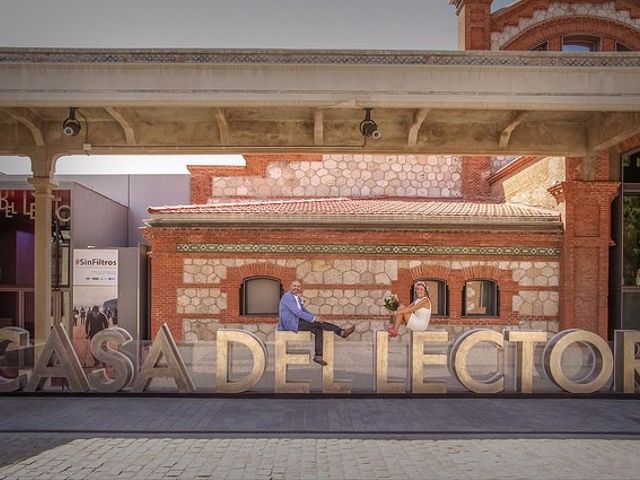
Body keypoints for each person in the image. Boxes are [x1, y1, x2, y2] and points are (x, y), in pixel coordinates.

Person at [278, 279, 355, 366]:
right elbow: (298, 313)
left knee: (318, 328)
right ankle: (341, 332)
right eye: (294, 286)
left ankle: (318, 356)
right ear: (290, 286)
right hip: (290, 324)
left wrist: (315, 317)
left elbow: (304, 311)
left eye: (298, 286)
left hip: (298, 322)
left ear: (300, 288)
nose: (296, 288)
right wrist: (314, 319)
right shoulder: (287, 297)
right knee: (318, 324)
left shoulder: (297, 298)